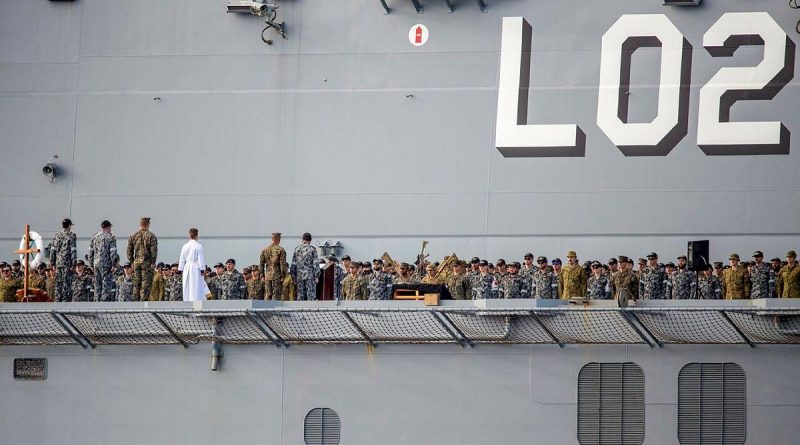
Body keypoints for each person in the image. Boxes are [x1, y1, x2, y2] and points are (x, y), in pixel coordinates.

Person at [127, 217, 158, 301]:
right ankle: (143, 303)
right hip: (147, 263)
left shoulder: (134, 235)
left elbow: (129, 249)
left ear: (140, 225)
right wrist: (153, 261)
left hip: (136, 263)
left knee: (137, 283)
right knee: (146, 284)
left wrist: (131, 261)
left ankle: (135, 302)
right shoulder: (151, 235)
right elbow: (153, 250)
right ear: (148, 225)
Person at [88, 220, 119, 302]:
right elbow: (113, 252)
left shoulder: (94, 237)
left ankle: (97, 304)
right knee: (106, 286)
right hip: (106, 265)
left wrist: (91, 265)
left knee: (97, 286)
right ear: (108, 227)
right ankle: (104, 305)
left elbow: (90, 252)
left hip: (96, 265)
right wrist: (114, 265)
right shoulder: (110, 237)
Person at [50, 218, 77, 302]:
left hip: (58, 264)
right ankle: (66, 304)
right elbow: (73, 250)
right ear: (69, 225)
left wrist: (53, 264)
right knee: (67, 285)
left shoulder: (57, 236)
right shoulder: (71, 236)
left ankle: (58, 302)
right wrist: (74, 264)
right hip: (67, 264)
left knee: (58, 284)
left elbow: (52, 250)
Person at [178, 228, 208, 302]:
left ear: (189, 235)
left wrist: (181, 269)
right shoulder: (198, 246)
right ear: (197, 235)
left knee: (187, 287)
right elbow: (201, 259)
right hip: (195, 268)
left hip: (187, 267)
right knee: (196, 288)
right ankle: (197, 306)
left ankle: (187, 304)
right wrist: (202, 269)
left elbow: (182, 259)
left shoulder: (185, 246)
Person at [291, 233, 320, 301]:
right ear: (310, 240)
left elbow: (293, 265)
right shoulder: (312, 250)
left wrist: (294, 277)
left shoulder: (297, 249)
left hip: (299, 277)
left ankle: (300, 311)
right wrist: (317, 276)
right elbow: (315, 264)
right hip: (310, 277)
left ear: (302, 239)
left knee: (300, 297)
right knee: (311, 296)